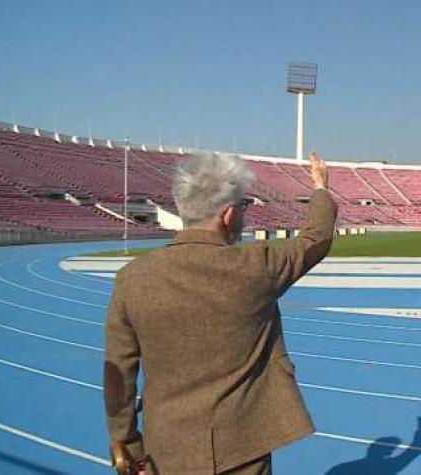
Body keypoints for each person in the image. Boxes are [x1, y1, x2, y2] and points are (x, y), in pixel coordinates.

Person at [103, 152, 337, 474]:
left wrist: (127, 447)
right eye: (243, 207)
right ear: (228, 215)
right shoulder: (257, 266)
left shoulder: (132, 279)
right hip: (243, 447)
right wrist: (320, 189)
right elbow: (317, 238)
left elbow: (118, 375)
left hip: (167, 450)